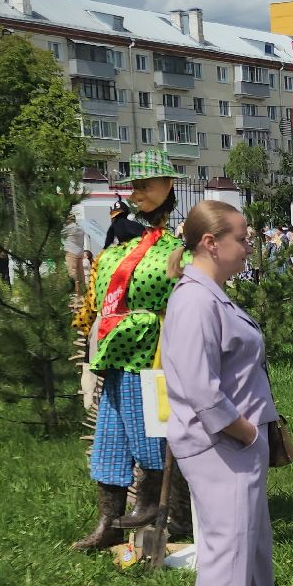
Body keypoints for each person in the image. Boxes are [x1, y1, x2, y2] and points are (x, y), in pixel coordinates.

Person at [161, 200, 293, 586]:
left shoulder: (212, 295)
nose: (251, 246)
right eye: (243, 238)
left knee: (251, 549)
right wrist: (244, 430)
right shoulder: (194, 301)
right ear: (211, 243)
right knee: (226, 557)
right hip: (220, 446)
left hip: (235, 445)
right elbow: (198, 386)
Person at [72, 149, 188, 551]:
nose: (137, 193)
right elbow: (95, 301)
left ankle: (156, 509)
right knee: (110, 438)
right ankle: (109, 522)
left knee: (150, 433)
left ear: (168, 186)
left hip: (152, 356)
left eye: (145, 185)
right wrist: (88, 342)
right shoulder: (115, 250)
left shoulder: (178, 250)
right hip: (116, 356)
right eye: (133, 186)